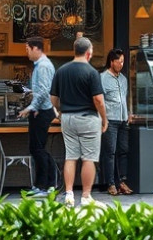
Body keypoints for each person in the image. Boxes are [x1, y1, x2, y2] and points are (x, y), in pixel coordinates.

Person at [50, 37, 108, 207]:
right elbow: (98, 100)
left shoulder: (62, 70)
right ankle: (86, 196)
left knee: (71, 156)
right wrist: (104, 119)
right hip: (88, 118)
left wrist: (60, 112)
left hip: (67, 119)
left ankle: (68, 194)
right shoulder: (91, 72)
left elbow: (53, 98)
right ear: (89, 53)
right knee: (88, 158)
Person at [19, 36, 56, 198]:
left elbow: (43, 91)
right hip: (40, 110)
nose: (26, 53)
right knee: (37, 148)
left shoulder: (43, 66)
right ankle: (46, 185)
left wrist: (30, 108)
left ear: (36, 48)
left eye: (27, 49)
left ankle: (45, 185)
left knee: (37, 148)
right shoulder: (41, 65)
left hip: (42, 111)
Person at [100, 48, 134, 196]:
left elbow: (126, 98)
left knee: (123, 150)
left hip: (123, 119)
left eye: (122, 62)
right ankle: (111, 183)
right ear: (111, 61)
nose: (121, 64)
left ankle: (121, 181)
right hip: (110, 119)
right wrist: (103, 118)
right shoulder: (102, 78)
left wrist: (129, 113)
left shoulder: (124, 79)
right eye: (118, 62)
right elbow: (99, 100)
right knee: (110, 152)